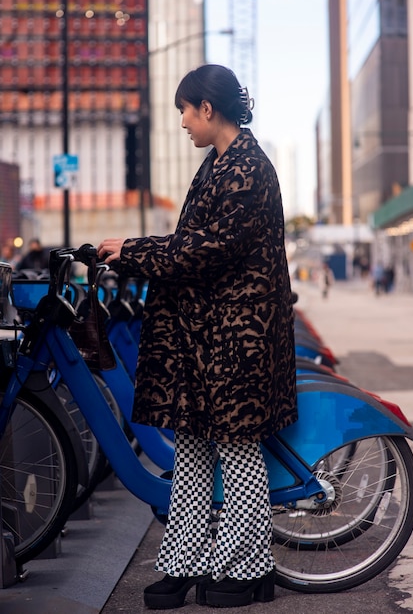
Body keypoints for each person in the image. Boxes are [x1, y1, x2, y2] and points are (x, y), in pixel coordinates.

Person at [98, 64, 297, 609]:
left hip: (238, 340)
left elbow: (205, 250)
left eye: (186, 110)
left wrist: (134, 250)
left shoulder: (246, 168)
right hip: (209, 339)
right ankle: (183, 564)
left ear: (208, 109)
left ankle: (247, 569)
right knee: (191, 454)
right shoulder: (222, 163)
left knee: (235, 455)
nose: (183, 121)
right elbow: (197, 245)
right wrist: (135, 250)